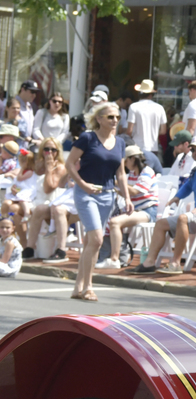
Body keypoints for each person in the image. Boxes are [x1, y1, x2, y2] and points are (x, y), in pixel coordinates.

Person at [134, 135, 196, 275]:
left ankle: (175, 263)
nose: (195, 153)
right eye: (193, 149)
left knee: (183, 218)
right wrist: (177, 197)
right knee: (161, 224)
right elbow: (188, 185)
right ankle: (149, 263)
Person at [66, 100, 129, 301]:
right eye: (110, 117)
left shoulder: (120, 142)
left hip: (107, 194)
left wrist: (126, 196)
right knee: (97, 239)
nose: (115, 120)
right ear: (99, 119)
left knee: (91, 242)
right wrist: (82, 184)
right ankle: (89, 286)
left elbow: (121, 173)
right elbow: (69, 163)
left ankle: (78, 286)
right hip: (86, 193)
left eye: (117, 117)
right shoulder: (88, 138)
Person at [100, 145, 158, 270]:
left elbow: (135, 192)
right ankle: (115, 256)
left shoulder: (147, 171)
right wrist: (115, 187)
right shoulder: (132, 173)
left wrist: (115, 182)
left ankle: (114, 259)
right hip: (136, 210)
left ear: (132, 159)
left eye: (125, 161)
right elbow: (127, 192)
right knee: (109, 219)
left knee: (115, 222)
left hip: (148, 211)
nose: (124, 164)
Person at [25, 138, 71, 260]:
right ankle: (28, 248)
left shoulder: (59, 167)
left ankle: (58, 250)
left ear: (58, 152)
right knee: (13, 209)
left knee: (39, 209)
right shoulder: (37, 164)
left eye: (53, 150)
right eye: (46, 149)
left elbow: (48, 189)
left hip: (52, 202)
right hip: (31, 199)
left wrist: (49, 169)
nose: (49, 152)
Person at [125, 79, 167, 154]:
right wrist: (152, 133)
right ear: (151, 94)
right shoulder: (159, 108)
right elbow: (163, 131)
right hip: (153, 147)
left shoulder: (133, 107)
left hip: (137, 147)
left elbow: (129, 131)